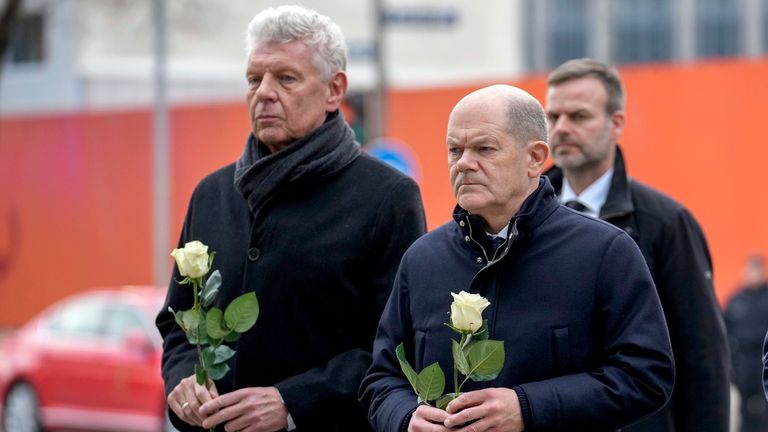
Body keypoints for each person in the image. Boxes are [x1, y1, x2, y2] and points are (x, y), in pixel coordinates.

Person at [155, 5, 426, 432]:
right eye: (253, 79)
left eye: (285, 78)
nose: (263, 92)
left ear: (335, 90)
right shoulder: (211, 193)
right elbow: (177, 320)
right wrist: (184, 378)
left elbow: (396, 347)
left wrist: (293, 403)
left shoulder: (388, 197)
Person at [360, 84, 674, 431]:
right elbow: (380, 379)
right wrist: (405, 418)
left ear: (535, 158)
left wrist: (528, 408)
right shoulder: (422, 259)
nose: (464, 163)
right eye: (455, 149)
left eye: (484, 148)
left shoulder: (605, 251)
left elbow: (646, 376)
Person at [543, 58, 730, 431]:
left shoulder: (665, 223)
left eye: (579, 116)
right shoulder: (523, 216)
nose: (562, 128)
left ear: (616, 124)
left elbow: (701, 357)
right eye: (553, 116)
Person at [725, 254, 768, 432]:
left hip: (763, 364)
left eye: (757, 269)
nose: (753, 273)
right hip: (742, 367)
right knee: (742, 413)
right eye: (751, 269)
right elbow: (724, 332)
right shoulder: (736, 299)